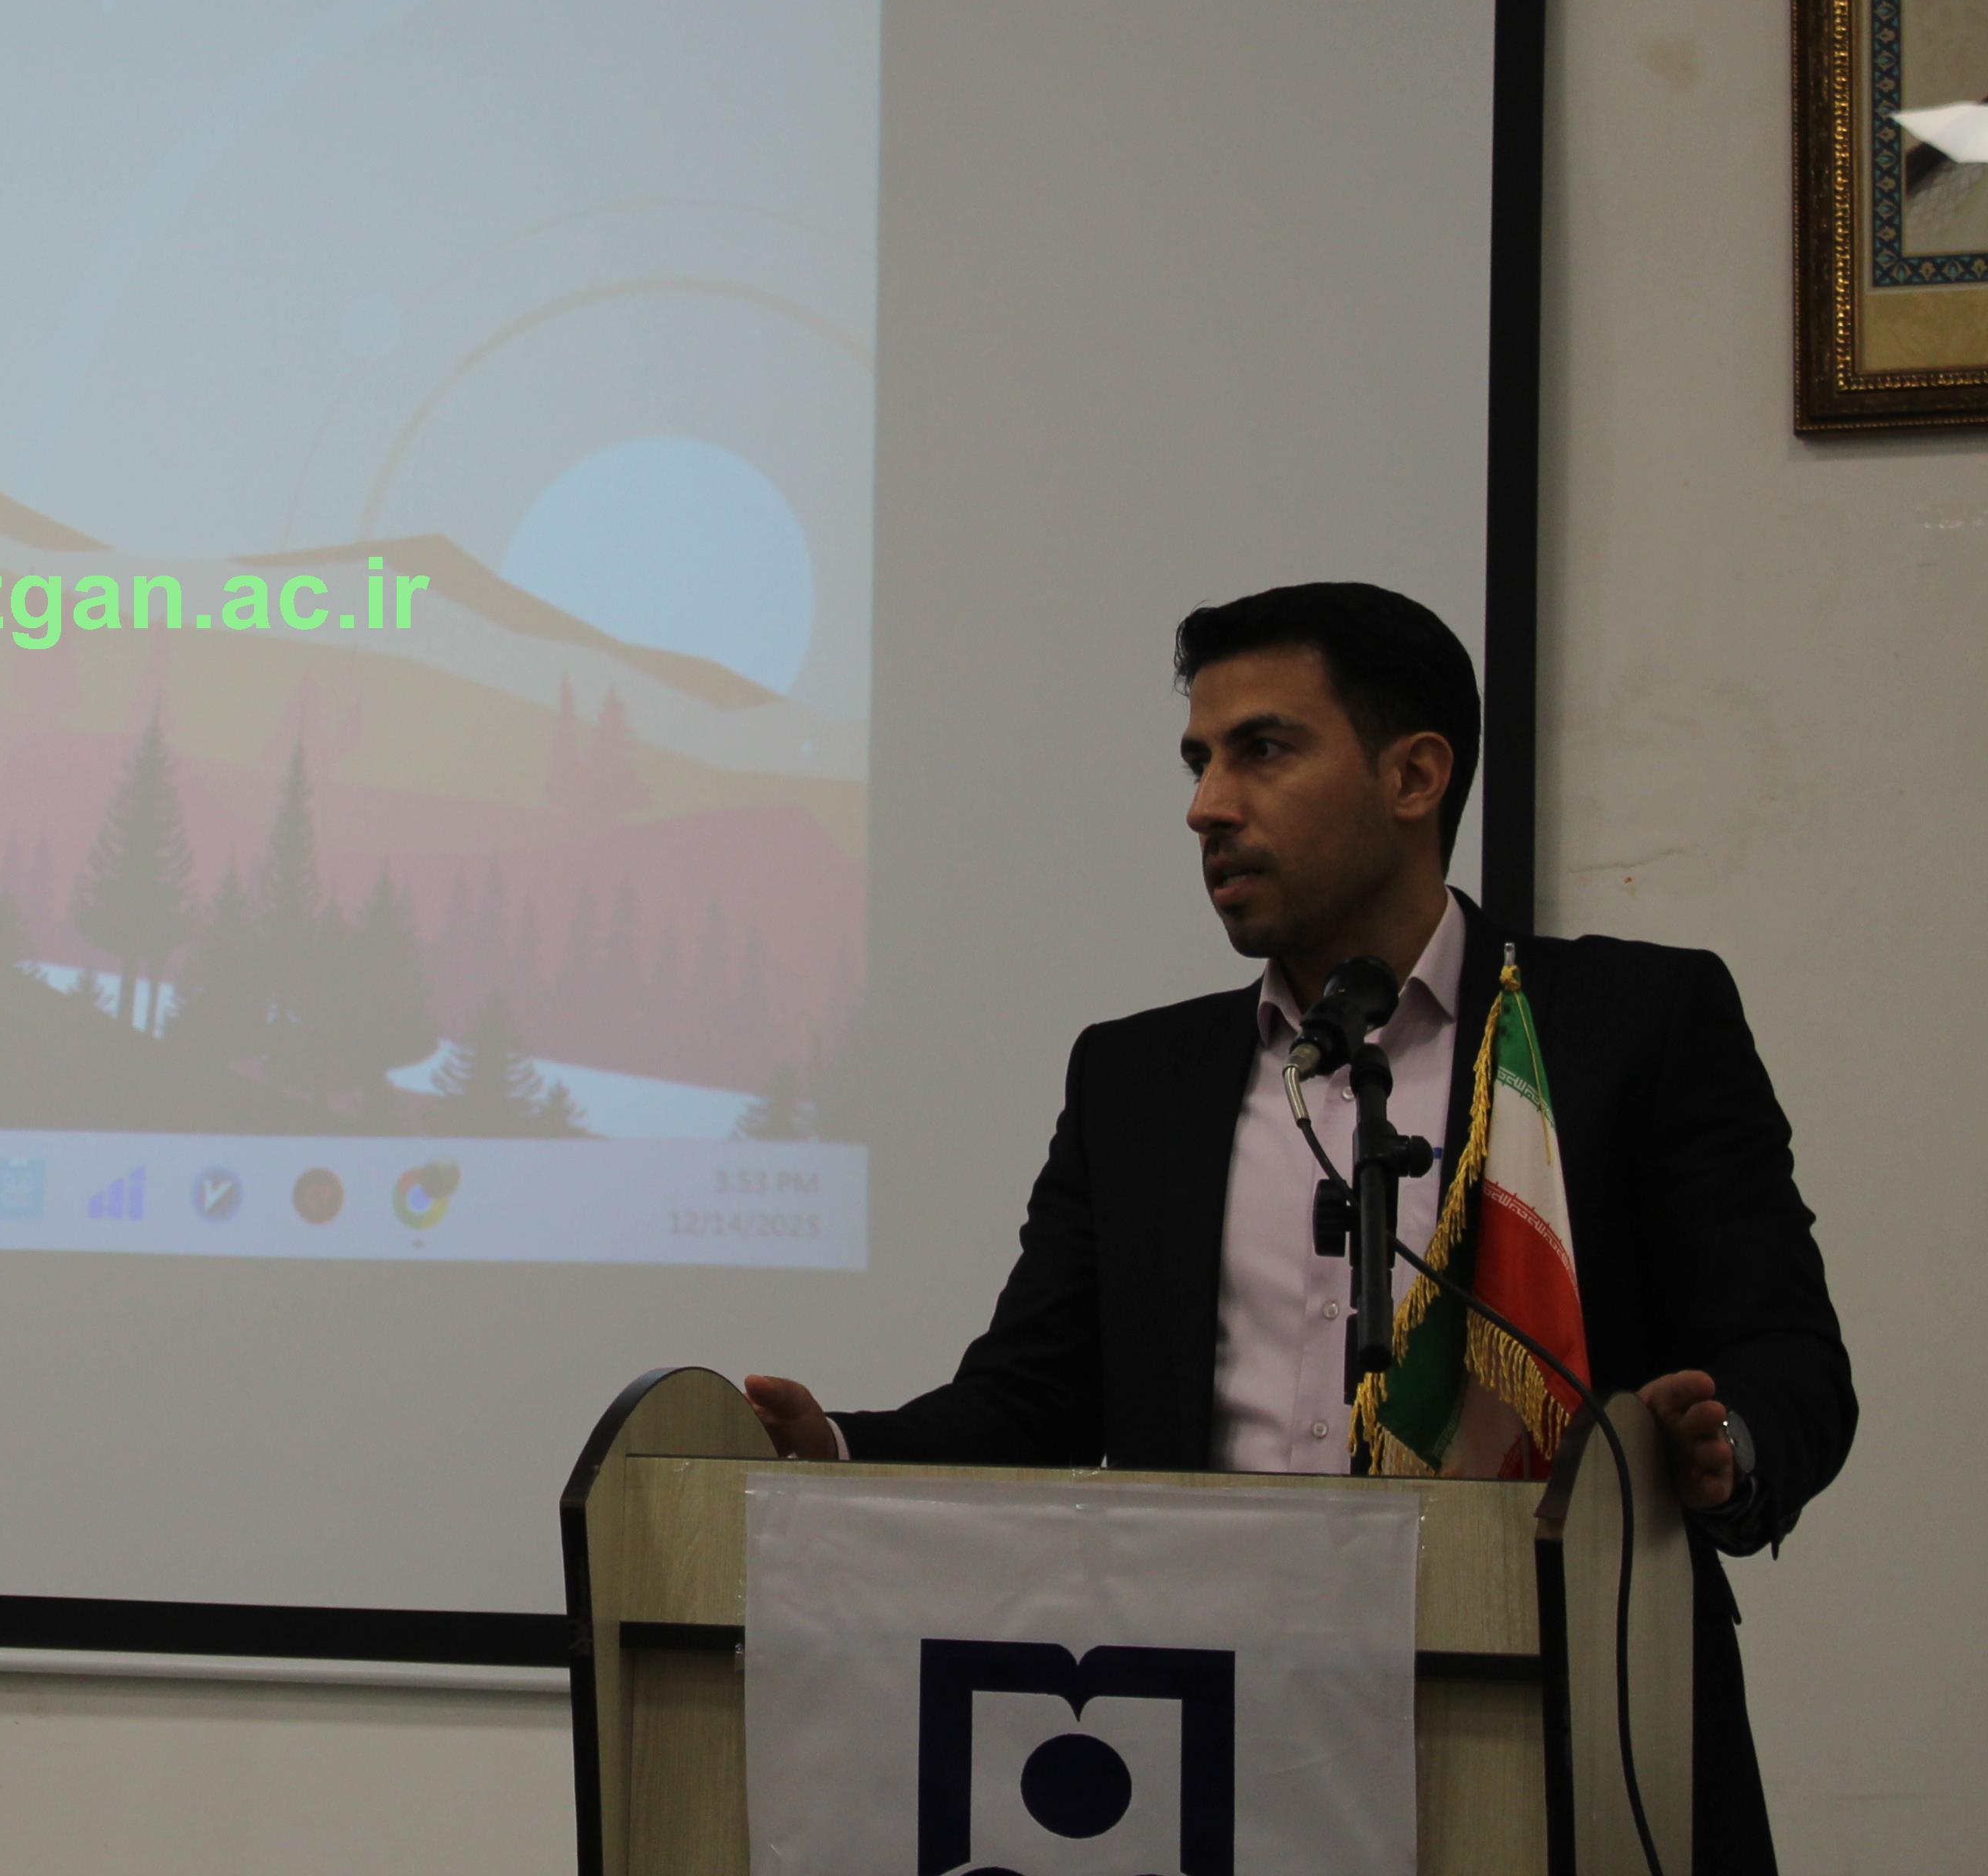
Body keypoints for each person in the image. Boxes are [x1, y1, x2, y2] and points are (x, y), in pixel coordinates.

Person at [747, 582, 1848, 1871]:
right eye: (1198, 762)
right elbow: (1036, 1398)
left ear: (1415, 776)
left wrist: (1725, 1446)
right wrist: (836, 1447)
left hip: (1571, 1734)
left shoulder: (1629, 1026)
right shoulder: (1137, 1079)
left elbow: (1789, 1359)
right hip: (1215, 1755)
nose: (1208, 806)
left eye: (1262, 751)